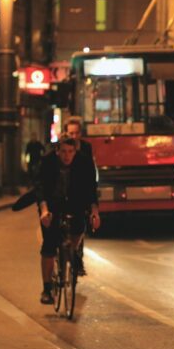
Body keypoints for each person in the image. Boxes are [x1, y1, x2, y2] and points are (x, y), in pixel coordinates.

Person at [35, 138, 100, 304]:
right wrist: (44, 211)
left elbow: (91, 188)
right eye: (63, 151)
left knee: (79, 226)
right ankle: (47, 289)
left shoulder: (84, 162)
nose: (67, 156)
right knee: (49, 244)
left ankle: (73, 251)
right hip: (51, 204)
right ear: (57, 151)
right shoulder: (48, 161)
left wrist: (94, 212)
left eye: (71, 152)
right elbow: (40, 187)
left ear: (75, 152)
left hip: (74, 202)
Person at [64, 118, 99, 275]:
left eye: (77, 132)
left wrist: (92, 204)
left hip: (80, 190)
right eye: (71, 133)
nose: (74, 136)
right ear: (66, 132)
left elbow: (90, 173)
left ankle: (77, 257)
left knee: (80, 226)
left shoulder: (86, 147)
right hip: (63, 190)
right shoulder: (60, 147)